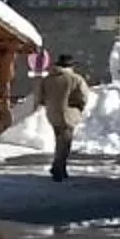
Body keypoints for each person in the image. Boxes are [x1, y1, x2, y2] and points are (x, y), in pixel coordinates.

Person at [39, 51, 91, 180]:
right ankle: (58, 167)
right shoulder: (75, 79)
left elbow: (40, 97)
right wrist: (78, 107)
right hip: (69, 114)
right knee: (65, 143)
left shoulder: (47, 79)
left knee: (58, 140)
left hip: (52, 114)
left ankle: (59, 167)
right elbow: (83, 96)